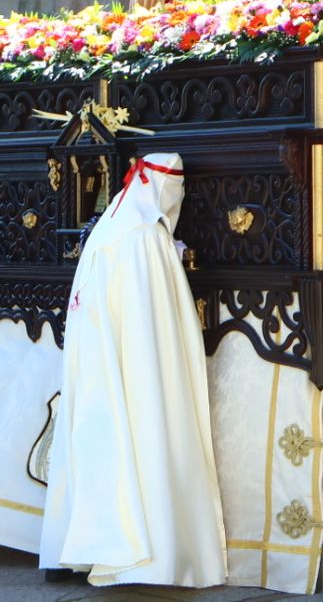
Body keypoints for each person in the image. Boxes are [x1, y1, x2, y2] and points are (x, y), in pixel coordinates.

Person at [39, 153, 226, 586]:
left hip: (98, 363)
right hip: (138, 364)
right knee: (145, 438)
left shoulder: (110, 226)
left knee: (97, 442)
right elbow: (156, 318)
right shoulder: (144, 235)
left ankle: (84, 548)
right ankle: (151, 556)